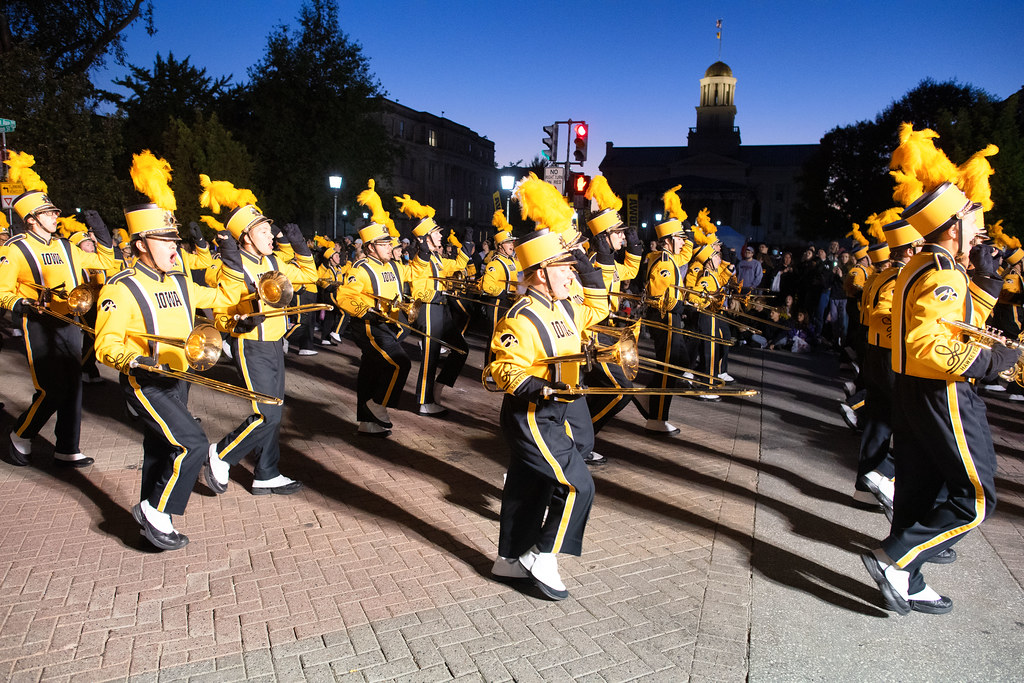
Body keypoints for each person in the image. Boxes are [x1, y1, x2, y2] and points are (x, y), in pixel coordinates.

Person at [862, 174, 1020, 615]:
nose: (981, 225)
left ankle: (908, 579)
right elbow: (930, 346)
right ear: (953, 227)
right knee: (976, 499)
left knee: (917, 489)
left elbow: (954, 323)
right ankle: (896, 561)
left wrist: (986, 283)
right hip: (943, 391)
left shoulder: (926, 265)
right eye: (972, 216)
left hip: (916, 390)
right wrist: (994, 361)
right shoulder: (942, 273)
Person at [94, 168, 248, 549]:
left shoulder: (179, 280)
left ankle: (150, 526)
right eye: (165, 240)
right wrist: (135, 360)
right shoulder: (121, 287)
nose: (174, 247)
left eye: (174, 239)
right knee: (193, 443)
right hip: (145, 381)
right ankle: (156, 512)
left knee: (161, 449)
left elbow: (224, 297)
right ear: (142, 243)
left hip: (179, 378)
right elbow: (105, 344)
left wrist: (230, 256)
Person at [488, 226, 609, 601]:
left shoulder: (563, 306)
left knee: (528, 487)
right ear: (541, 272)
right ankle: (544, 556)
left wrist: (589, 269)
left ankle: (508, 560)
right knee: (578, 485)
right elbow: (502, 370)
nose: (570, 275)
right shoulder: (520, 318)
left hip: (556, 411)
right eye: (566, 268)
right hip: (532, 415)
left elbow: (599, 309)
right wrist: (541, 388)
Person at [1, 152, 116, 468]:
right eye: (48, 213)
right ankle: (20, 434)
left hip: (70, 321)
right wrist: (20, 303)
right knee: (52, 388)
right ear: (31, 220)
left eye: (53, 211)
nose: (55, 216)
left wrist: (101, 232)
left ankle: (67, 446)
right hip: (38, 323)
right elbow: (2, 291)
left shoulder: (67, 246)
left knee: (74, 386)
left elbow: (106, 262)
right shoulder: (15, 248)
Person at [204, 198, 316, 496]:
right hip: (251, 345)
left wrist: (300, 246)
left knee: (274, 411)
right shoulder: (228, 264)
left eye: (270, 231)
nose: (271, 236)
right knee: (268, 414)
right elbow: (222, 308)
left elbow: (310, 276)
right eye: (264, 231)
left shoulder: (274, 262)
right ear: (245, 236)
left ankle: (266, 473)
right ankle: (221, 453)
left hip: (275, 343)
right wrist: (232, 325)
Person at [853, 220, 921, 518]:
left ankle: (865, 487)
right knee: (908, 425)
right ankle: (887, 478)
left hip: (876, 353)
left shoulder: (883, 275)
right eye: (916, 246)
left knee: (879, 423)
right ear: (908, 250)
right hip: (889, 355)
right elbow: (882, 312)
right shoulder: (896, 279)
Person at [335, 182, 412, 437]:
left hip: (389, 325)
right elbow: (343, 296)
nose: (391, 247)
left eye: (390, 243)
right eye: (384, 244)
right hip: (369, 325)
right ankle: (377, 405)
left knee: (370, 370)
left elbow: (400, 291)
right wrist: (365, 310)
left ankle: (366, 422)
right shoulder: (360, 268)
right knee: (400, 363)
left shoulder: (393, 266)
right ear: (370, 247)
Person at [579, 176, 642, 462]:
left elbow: (627, 273)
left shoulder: (606, 260)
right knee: (620, 391)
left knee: (606, 391)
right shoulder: (594, 262)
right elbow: (599, 292)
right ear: (604, 237)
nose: (623, 237)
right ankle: (581, 440)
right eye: (618, 234)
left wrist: (636, 250)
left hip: (607, 333)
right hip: (592, 336)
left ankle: (580, 438)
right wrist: (605, 259)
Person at [395, 193, 472, 416]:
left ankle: (437, 389)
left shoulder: (437, 259)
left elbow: (457, 264)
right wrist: (423, 248)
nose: (441, 235)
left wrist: (467, 243)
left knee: (461, 349)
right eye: (437, 233)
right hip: (428, 308)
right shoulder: (423, 258)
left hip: (441, 308)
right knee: (431, 356)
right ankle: (425, 401)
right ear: (427, 238)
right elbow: (420, 266)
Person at [644, 188, 695, 434]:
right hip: (665, 318)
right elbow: (656, 297)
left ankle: (650, 400)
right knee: (668, 368)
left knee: (679, 362)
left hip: (671, 319)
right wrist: (681, 305)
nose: (684, 242)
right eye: (679, 238)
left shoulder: (669, 256)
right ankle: (657, 417)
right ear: (667, 241)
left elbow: (687, 252)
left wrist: (681, 221)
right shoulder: (664, 262)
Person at [479, 211, 519, 370]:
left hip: (509, 303)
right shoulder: (494, 264)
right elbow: (487, 286)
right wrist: (506, 293)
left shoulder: (513, 261)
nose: (512, 245)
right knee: (495, 337)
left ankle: (500, 369)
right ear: (500, 246)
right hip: (497, 304)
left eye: (512, 242)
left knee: (506, 338)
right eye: (509, 242)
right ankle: (488, 371)